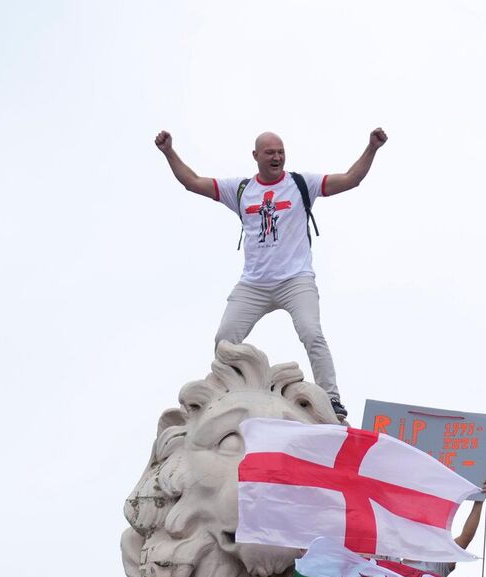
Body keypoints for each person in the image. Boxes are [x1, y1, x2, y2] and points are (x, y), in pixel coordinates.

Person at [153, 127, 387, 421]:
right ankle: (226, 393)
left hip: (295, 279)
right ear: (256, 156)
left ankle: (331, 398)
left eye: (281, 152)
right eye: (270, 153)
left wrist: (372, 147)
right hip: (254, 284)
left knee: (312, 332)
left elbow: (351, 179)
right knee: (225, 338)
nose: (277, 157)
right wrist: (169, 152)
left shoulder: (302, 184)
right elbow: (192, 182)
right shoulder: (240, 190)